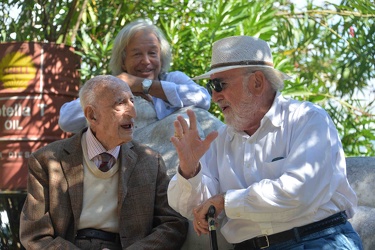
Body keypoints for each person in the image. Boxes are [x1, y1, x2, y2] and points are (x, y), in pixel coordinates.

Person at [167, 36, 363, 249]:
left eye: (219, 84)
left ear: (257, 82)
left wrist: (226, 201)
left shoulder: (307, 119)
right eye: (210, 86)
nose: (214, 96)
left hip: (317, 239)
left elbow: (298, 192)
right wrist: (189, 170)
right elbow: (193, 209)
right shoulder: (220, 140)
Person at [20, 75, 188, 249]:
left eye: (132, 101)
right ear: (92, 115)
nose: (133, 112)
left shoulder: (150, 161)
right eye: (120, 103)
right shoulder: (47, 161)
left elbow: (173, 224)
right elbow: (35, 234)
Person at [58, 18, 212, 134]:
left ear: (161, 56)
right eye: (137, 54)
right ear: (123, 61)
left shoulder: (172, 79)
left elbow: (204, 100)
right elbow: (66, 121)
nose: (146, 61)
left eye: (152, 53)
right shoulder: (112, 87)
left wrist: (145, 86)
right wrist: (108, 91)